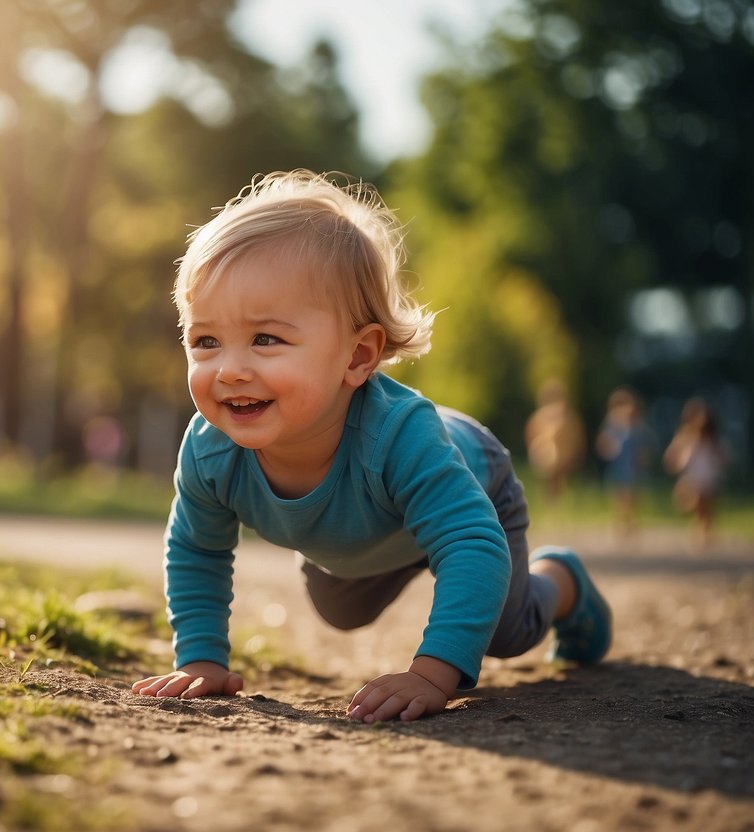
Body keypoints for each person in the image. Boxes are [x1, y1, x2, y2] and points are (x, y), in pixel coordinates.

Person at [131, 171, 612, 723]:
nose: (231, 370)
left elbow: (472, 542)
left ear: (358, 357)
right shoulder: (210, 452)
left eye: (266, 339)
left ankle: (563, 582)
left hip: (474, 491)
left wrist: (432, 673)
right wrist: (201, 658)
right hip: (367, 529)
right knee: (340, 610)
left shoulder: (399, 437)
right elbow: (197, 550)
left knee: (505, 629)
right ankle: (394, 553)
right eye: (206, 341)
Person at [663, 397, 727, 550]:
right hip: (691, 480)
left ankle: (703, 532)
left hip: (709, 479)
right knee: (697, 503)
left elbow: (724, 459)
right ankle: (701, 529)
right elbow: (671, 457)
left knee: (706, 508)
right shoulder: (685, 437)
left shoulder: (714, 440)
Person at [595, 387, 654, 535]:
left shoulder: (639, 427)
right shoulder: (612, 424)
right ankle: (622, 520)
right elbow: (603, 443)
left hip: (633, 467)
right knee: (619, 494)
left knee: (632, 495)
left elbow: (647, 446)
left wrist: (643, 458)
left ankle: (630, 520)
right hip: (618, 466)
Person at [524, 378, 586, 499]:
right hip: (547, 454)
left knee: (558, 480)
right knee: (551, 481)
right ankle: (553, 502)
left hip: (562, 455)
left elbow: (575, 437)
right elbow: (532, 435)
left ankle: (557, 502)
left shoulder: (567, 417)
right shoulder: (541, 417)